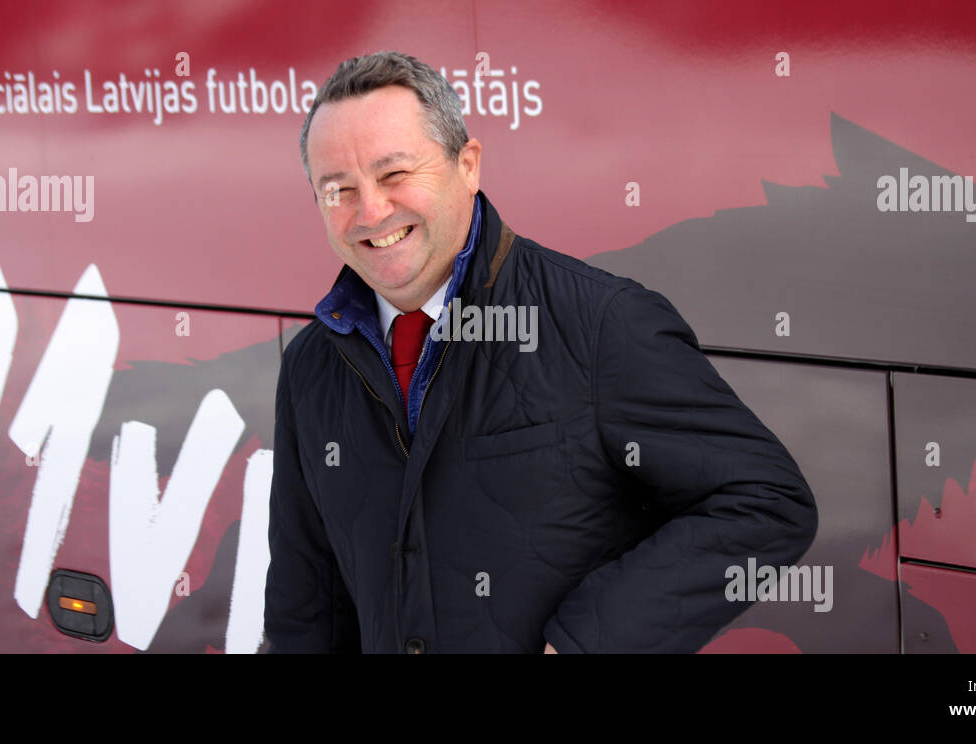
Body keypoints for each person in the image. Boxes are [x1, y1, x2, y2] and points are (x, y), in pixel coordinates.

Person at [264, 51, 817, 653]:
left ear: (467, 165)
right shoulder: (310, 367)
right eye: (338, 190)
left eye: (394, 175)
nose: (370, 212)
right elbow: (305, 606)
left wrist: (588, 641)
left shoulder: (601, 323)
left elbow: (766, 501)